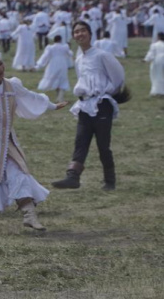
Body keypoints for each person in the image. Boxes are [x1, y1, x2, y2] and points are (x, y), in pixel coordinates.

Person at [0, 51, 69, 235]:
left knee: (19, 173)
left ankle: (29, 215)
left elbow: (30, 96)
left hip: (6, 140)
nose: (0, 70)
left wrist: (51, 105)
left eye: (1, 64)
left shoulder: (13, 85)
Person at [52, 21, 127, 192]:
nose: (80, 34)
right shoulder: (79, 59)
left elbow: (118, 77)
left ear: (90, 33)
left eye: (83, 30)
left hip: (102, 104)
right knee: (81, 141)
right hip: (85, 105)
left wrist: (105, 93)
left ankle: (110, 180)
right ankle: (72, 177)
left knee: (103, 144)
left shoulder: (102, 55)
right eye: (76, 32)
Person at [36, 35, 73, 102]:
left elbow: (45, 56)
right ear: (60, 40)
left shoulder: (50, 47)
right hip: (62, 63)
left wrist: (39, 64)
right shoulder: (64, 47)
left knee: (52, 77)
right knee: (62, 79)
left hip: (53, 63)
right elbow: (70, 54)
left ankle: (57, 97)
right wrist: (69, 48)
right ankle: (60, 97)